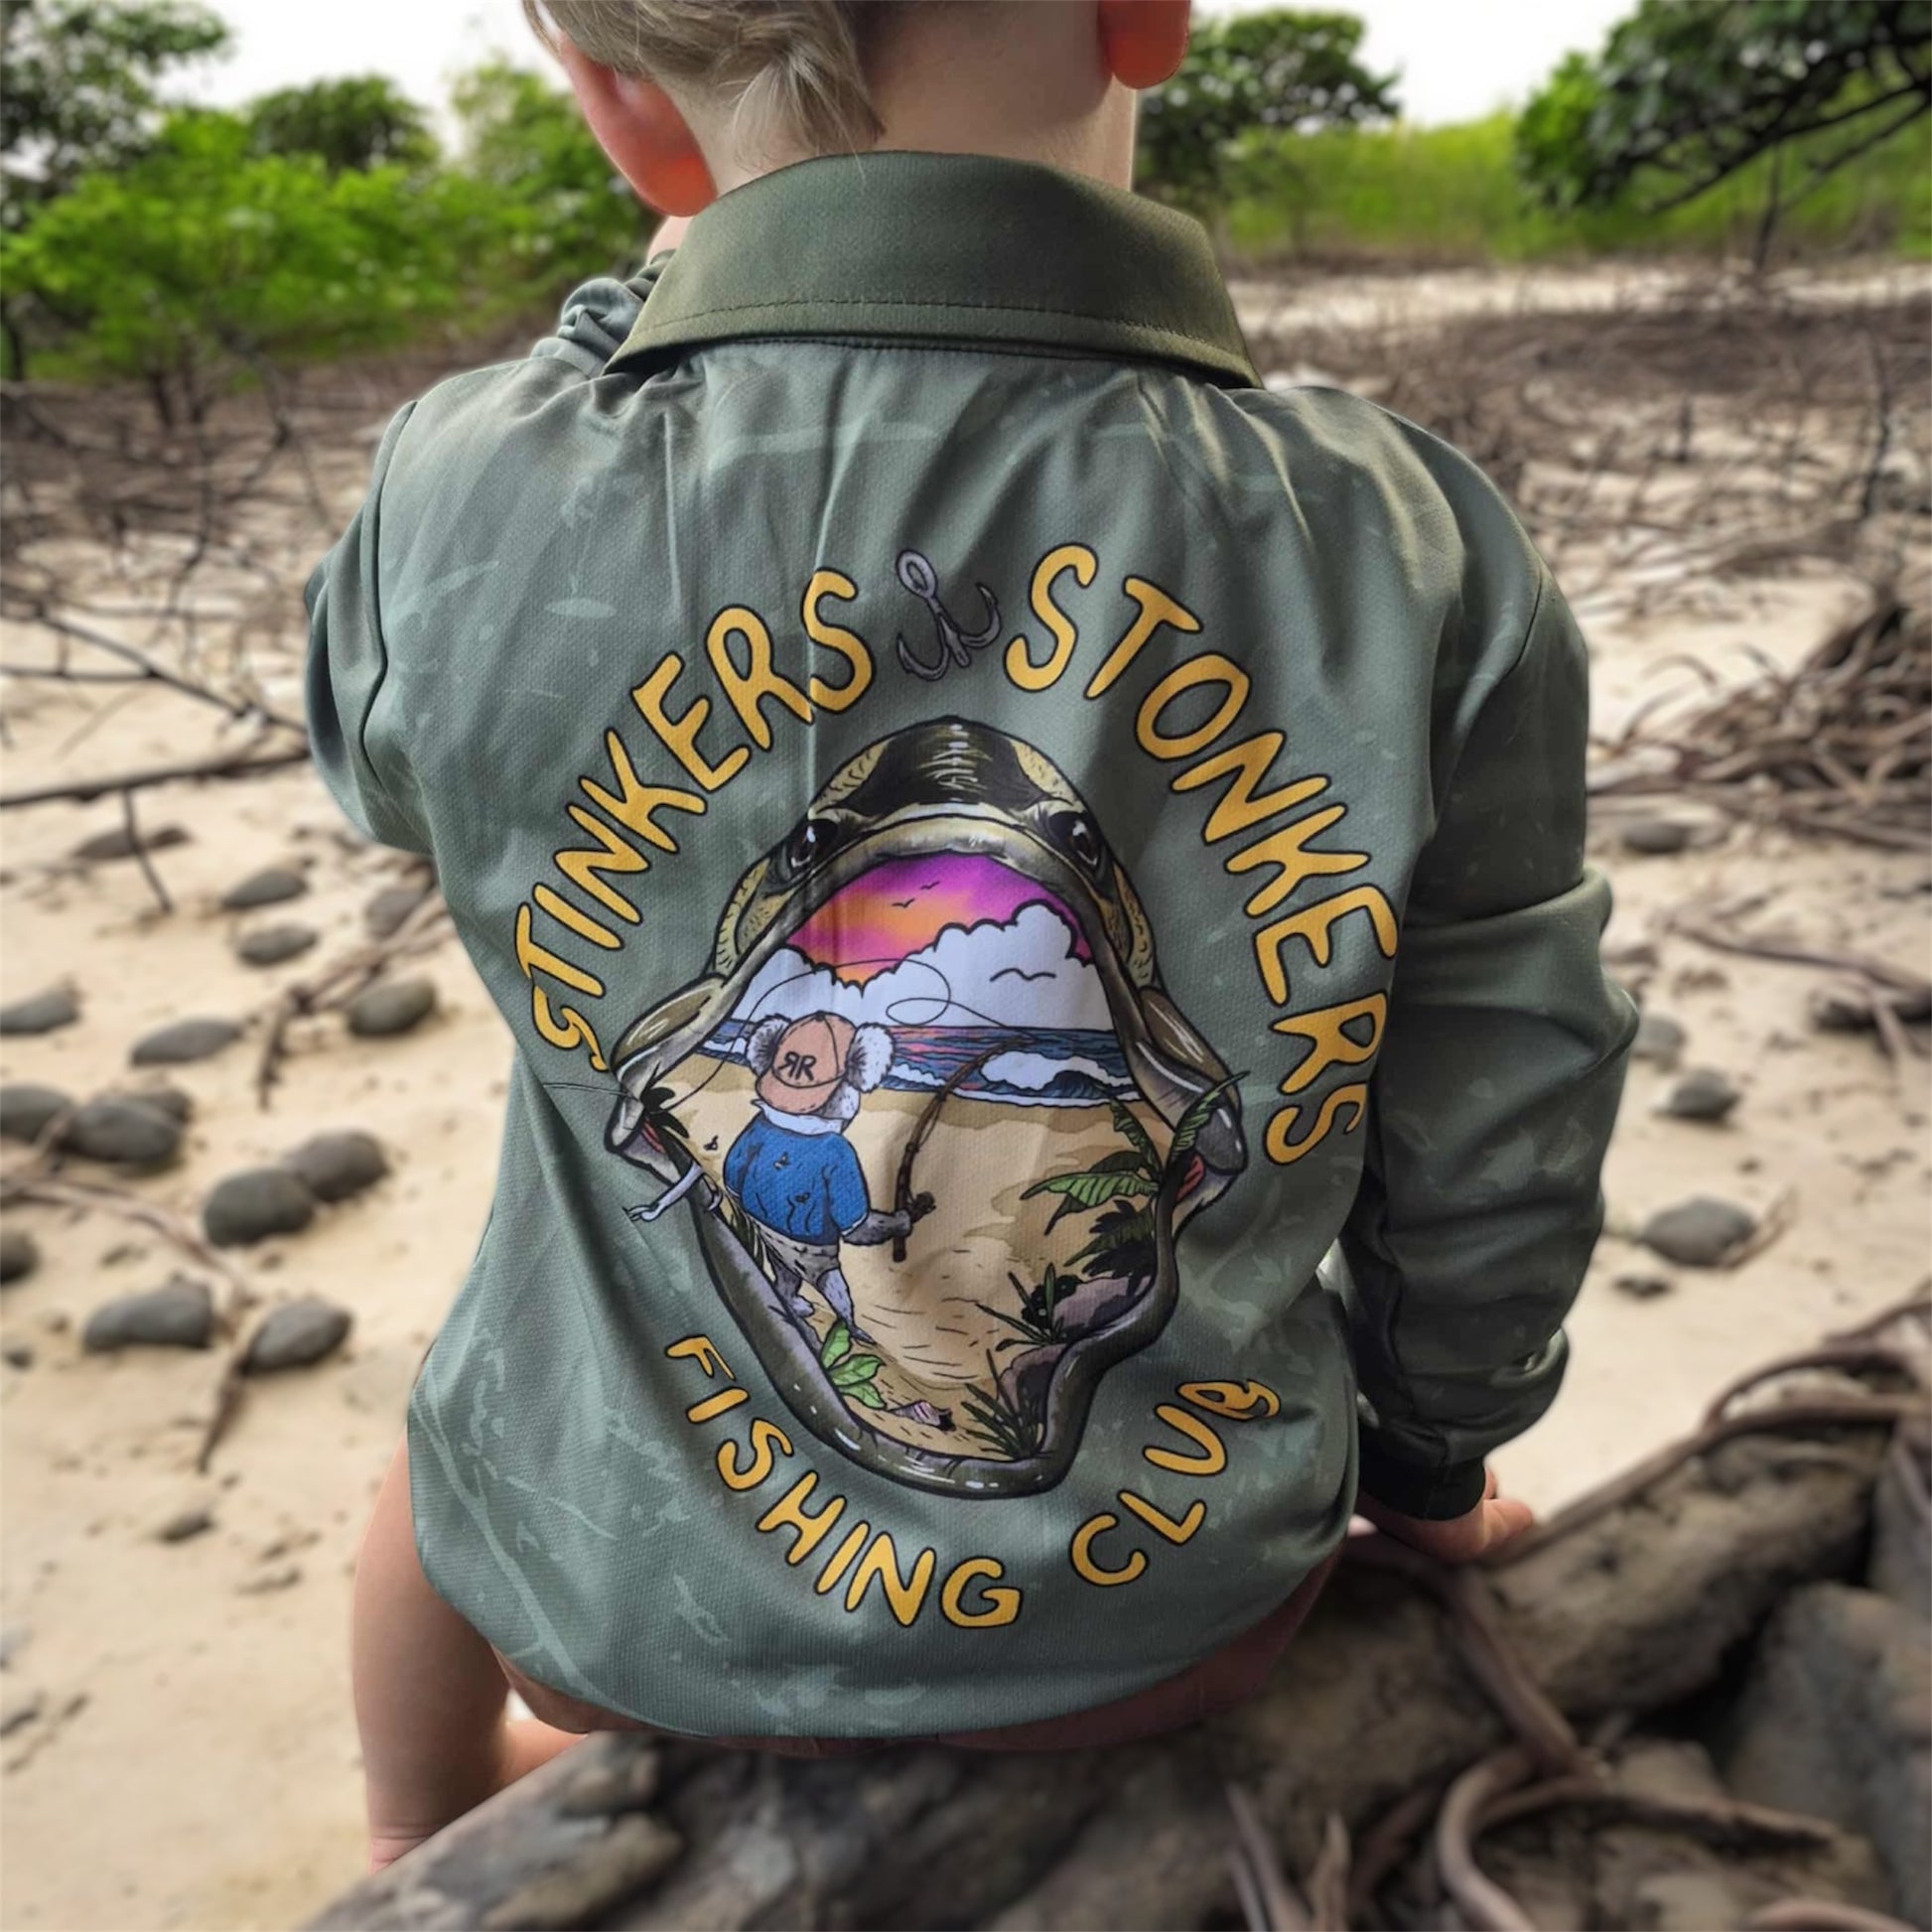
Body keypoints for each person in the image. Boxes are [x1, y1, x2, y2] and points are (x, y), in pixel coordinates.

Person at [309, 0, 1635, 1874]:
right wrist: (1434, 1470)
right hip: (1176, 1617)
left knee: (468, 1389)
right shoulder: (1399, 534)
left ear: (619, 102)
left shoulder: (461, 484)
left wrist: (643, 310)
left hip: (605, 1608)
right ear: (1152, 15)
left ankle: (415, 1814)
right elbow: (1497, 1133)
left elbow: (373, 766)